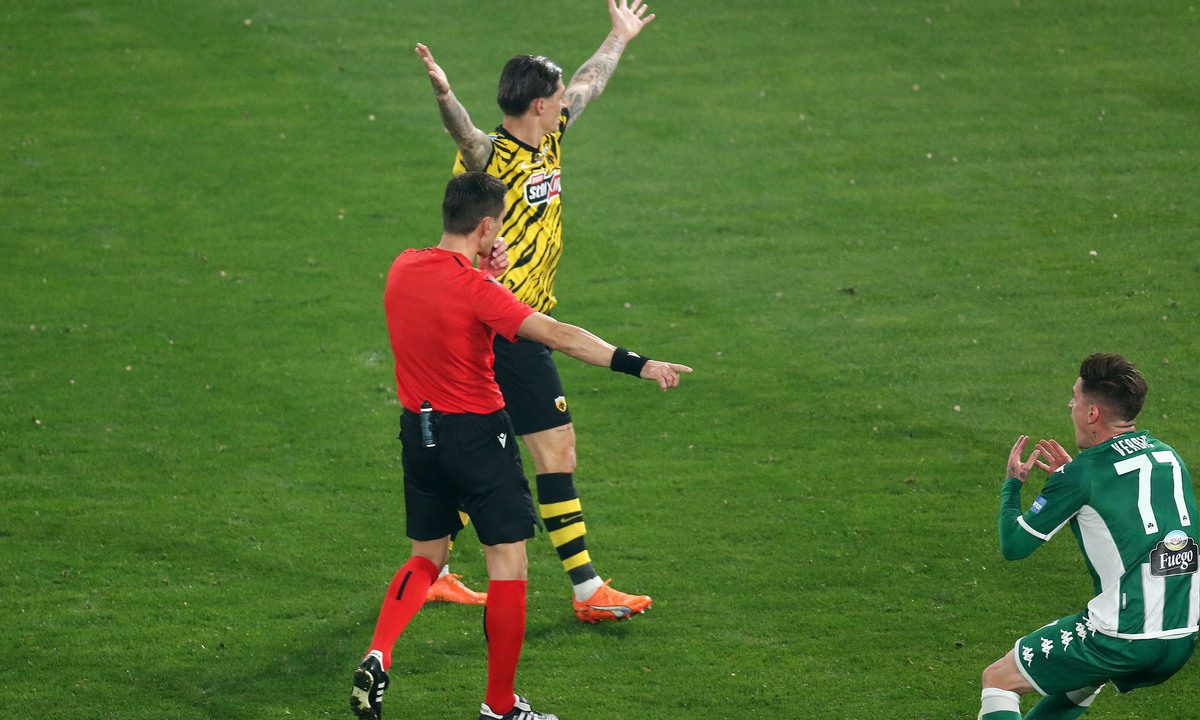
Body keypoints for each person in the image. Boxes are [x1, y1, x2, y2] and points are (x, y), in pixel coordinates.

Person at [349, 172, 690, 720]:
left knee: (426, 558)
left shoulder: (403, 266)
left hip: (419, 434)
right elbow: (556, 335)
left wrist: (484, 274)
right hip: (478, 438)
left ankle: (379, 652)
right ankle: (501, 705)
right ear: (486, 226)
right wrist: (640, 364)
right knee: (508, 565)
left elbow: (447, 309)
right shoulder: (478, 291)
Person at [413, 0, 661, 622]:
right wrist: (444, 93)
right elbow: (464, 135)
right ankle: (587, 589)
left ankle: (433, 571)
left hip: (500, 320)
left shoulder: (550, 134)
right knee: (555, 449)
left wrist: (618, 36)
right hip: (505, 323)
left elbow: (589, 82)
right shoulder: (492, 157)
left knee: (480, 450)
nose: (565, 100)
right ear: (537, 106)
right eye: (556, 97)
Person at [977, 353, 1197, 720]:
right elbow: (1128, 516)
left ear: (1092, 412)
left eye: (1075, 397)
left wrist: (1012, 486)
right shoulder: (1168, 457)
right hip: (1181, 636)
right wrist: (1074, 483)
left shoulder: (1082, 475)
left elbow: (1014, 545)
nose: (1070, 405)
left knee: (998, 680)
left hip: (1123, 637)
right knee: (1081, 678)